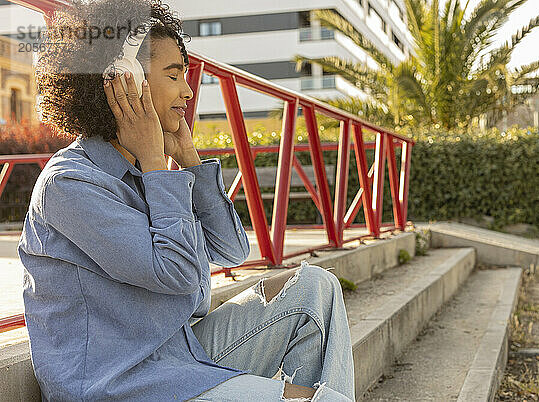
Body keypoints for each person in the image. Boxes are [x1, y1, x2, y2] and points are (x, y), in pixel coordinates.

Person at [18, 0, 355, 400]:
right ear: (125, 80)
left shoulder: (146, 170)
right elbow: (176, 275)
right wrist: (159, 167)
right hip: (119, 385)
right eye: (174, 75)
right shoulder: (70, 184)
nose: (188, 90)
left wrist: (190, 163)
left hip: (178, 358)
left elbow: (231, 250)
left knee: (315, 286)